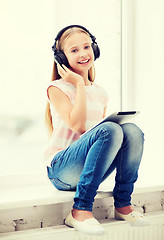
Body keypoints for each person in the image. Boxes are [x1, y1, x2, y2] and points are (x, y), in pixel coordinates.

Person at [44, 25, 150, 235]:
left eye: (86, 47)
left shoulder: (101, 93)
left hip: (88, 170)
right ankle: (80, 210)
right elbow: (79, 126)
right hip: (60, 171)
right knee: (109, 129)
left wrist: (85, 85)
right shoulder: (57, 88)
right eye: (74, 50)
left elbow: (101, 141)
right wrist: (79, 85)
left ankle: (123, 204)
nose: (83, 53)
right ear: (61, 58)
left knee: (132, 131)